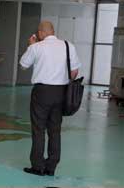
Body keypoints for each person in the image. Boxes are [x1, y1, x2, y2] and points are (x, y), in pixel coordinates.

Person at [19, 20, 80, 176]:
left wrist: (31, 46)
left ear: (40, 33)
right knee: (55, 130)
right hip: (61, 92)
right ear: (53, 31)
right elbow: (74, 72)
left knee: (38, 129)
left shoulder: (37, 47)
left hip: (42, 92)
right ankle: (51, 167)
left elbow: (23, 64)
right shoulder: (68, 46)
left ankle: (37, 166)